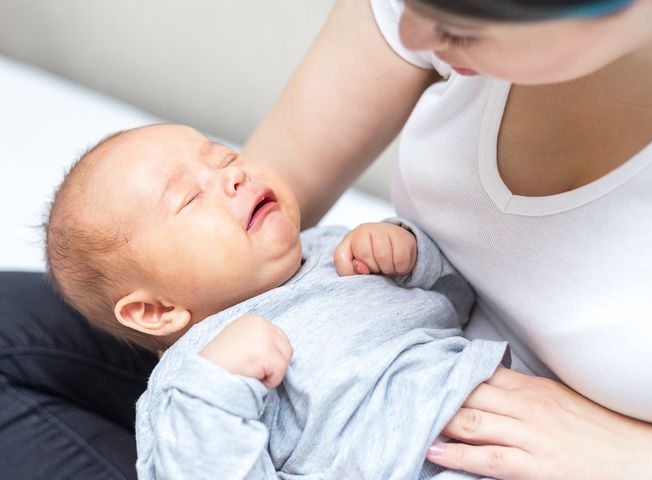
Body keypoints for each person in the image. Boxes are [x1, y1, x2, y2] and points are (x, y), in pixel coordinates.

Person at [1, 0, 652, 478]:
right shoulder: (200, 381)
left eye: (457, 25)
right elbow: (272, 199)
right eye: (194, 190)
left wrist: (648, 460)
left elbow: (434, 300)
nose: (410, 35)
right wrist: (215, 382)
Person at [44, 122, 509, 479]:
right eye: (187, 198)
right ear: (156, 310)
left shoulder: (335, 248)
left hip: (513, 435)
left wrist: (411, 254)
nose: (234, 177)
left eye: (224, 158)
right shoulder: (193, 384)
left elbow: (462, 306)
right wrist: (216, 388)